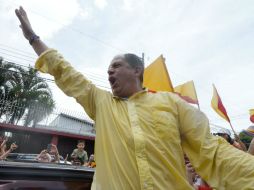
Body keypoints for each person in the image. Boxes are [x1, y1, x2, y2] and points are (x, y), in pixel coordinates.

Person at [15, 6, 254, 189]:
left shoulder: (171, 104)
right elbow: (64, 71)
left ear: (137, 71)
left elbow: (212, 151)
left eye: (116, 66)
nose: (109, 71)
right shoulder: (101, 103)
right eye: (108, 68)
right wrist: (33, 38)